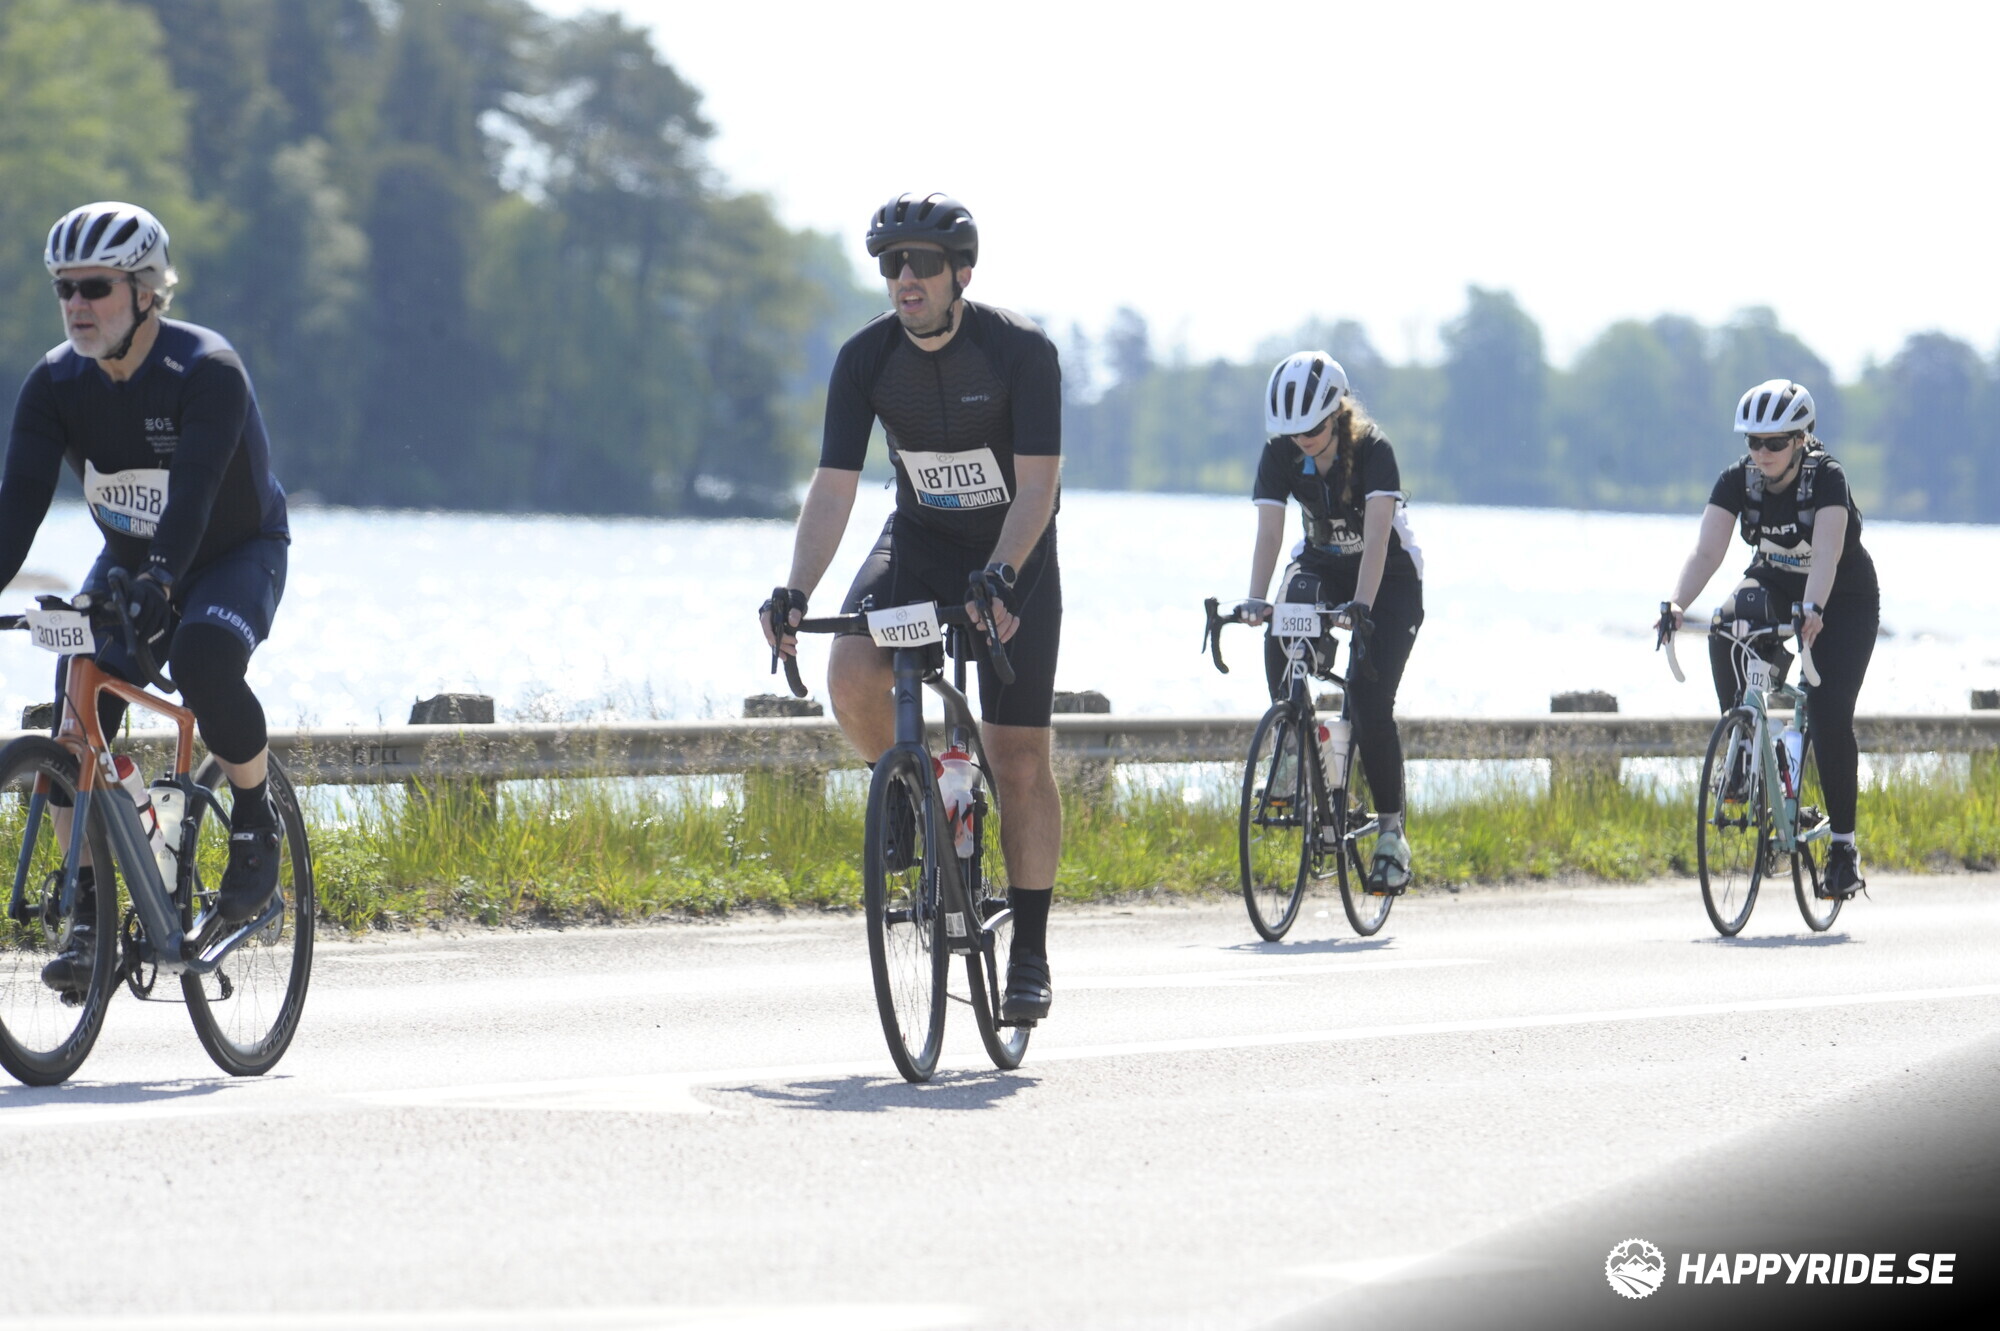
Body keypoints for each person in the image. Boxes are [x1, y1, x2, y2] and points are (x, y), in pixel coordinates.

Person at [760, 192, 1064, 1021]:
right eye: (891, 263)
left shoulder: (1020, 351)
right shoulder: (866, 359)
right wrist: (796, 590)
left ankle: (1030, 952)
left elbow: (1038, 487)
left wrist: (1002, 575)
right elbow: (834, 486)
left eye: (922, 263)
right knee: (851, 672)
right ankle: (906, 789)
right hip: (921, 544)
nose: (905, 278)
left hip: (1013, 552)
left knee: (1018, 759)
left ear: (961, 273)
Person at [0, 201, 292, 993]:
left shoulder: (207, 369)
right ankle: (89, 914)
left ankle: (255, 818)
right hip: (133, 563)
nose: (76, 304)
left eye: (95, 286)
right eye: (64, 288)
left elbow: (193, 495)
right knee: (77, 703)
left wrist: (164, 581)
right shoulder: (55, 383)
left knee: (202, 659)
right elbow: (16, 508)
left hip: (233, 553)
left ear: (145, 290)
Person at [1663, 378, 1879, 898]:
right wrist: (1676, 604)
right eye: (1754, 442)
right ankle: (1743, 744)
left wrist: (1815, 608)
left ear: (1801, 439)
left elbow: (1826, 555)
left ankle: (1843, 850)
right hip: (1776, 583)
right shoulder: (1738, 480)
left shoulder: (1826, 478)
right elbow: (1707, 552)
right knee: (1725, 627)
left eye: (1775, 442)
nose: (1762, 453)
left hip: (1841, 598)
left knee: (1827, 714)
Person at [1236, 351, 1425, 894]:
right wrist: (1255, 599)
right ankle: (1293, 742)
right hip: (1321, 564)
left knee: (1367, 701)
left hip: (1388, 578)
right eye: (1293, 432)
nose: (1303, 440)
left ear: (1337, 414)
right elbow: (1270, 532)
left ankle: (1390, 835)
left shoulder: (1373, 450)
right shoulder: (1280, 453)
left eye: (1313, 430)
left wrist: (1361, 606)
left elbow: (1377, 538)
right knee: (1284, 621)